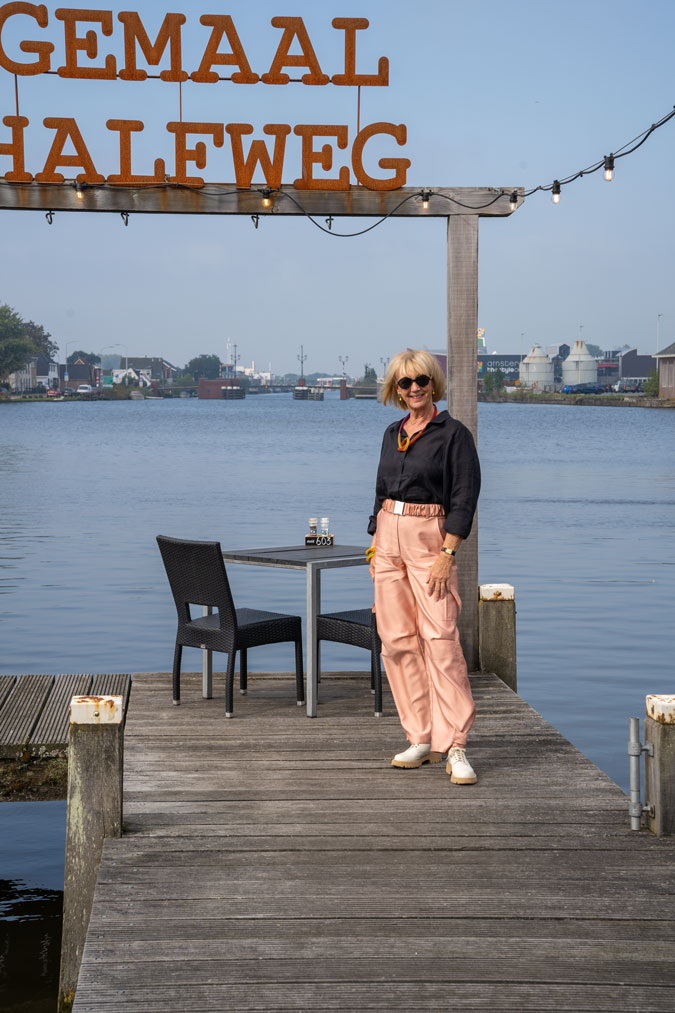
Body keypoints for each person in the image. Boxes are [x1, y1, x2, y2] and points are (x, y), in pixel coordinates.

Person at [367, 349, 481, 784]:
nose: (414, 388)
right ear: (395, 389)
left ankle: (455, 745)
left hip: (429, 539)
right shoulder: (391, 433)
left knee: (440, 639)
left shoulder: (454, 435)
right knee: (396, 641)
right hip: (387, 540)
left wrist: (447, 555)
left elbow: (464, 498)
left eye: (421, 380)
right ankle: (420, 736)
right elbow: (380, 492)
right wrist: (375, 549)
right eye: (405, 382)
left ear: (433, 384)